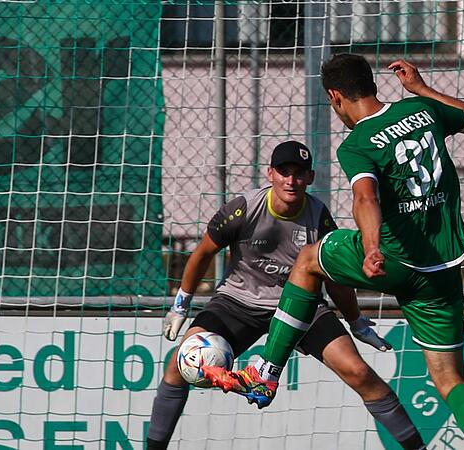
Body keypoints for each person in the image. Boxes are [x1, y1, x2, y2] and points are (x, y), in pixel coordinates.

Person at [203, 55, 464, 450]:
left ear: (335, 96)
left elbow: (365, 198)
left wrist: (372, 248)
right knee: (451, 382)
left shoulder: (357, 144)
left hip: (394, 259)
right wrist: (422, 89)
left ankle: (267, 371)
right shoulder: (424, 108)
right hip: (443, 267)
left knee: (308, 260)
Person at [147, 141, 427, 450]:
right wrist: (181, 304)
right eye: (284, 173)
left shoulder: (319, 217)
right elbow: (202, 254)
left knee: (359, 372)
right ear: (270, 174)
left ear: (310, 177)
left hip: (300, 305)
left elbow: (335, 277)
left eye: (298, 174)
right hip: (238, 302)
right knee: (177, 365)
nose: (290, 181)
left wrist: (356, 321)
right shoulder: (242, 209)